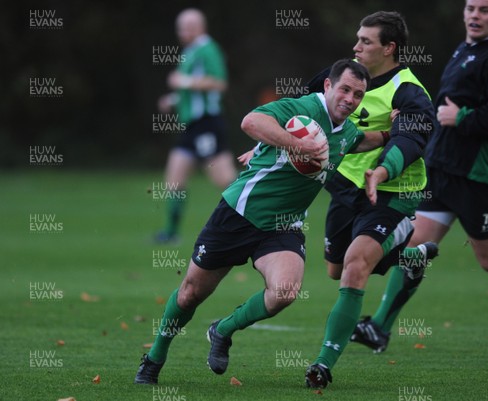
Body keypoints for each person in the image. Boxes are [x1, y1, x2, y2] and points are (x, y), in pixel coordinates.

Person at [135, 59, 399, 384]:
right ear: (329, 86)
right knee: (190, 293)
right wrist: (297, 144)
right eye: (345, 89)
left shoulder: (345, 131)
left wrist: (391, 132)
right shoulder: (302, 108)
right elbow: (251, 121)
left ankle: (223, 329)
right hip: (238, 214)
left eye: (359, 94)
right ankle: (155, 356)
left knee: (285, 291)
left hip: (283, 226)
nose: (351, 99)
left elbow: (357, 141)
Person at [354, 0, 488, 358]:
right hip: (443, 168)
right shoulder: (465, 49)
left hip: (479, 175)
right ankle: (379, 327)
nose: (474, 15)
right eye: (471, 8)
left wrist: (463, 117)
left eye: (485, 10)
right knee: (414, 249)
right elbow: (444, 109)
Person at [304, 11, 437, 389]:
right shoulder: (342, 77)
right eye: (357, 38)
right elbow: (300, 108)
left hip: (393, 194)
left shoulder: (410, 92)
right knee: (334, 270)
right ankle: (410, 258)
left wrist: (381, 171)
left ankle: (323, 363)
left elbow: (410, 141)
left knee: (355, 265)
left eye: (365, 41)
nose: (356, 46)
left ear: (389, 48)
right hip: (346, 189)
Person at [155, 8, 236, 244]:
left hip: (207, 123)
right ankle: (170, 233)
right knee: (174, 179)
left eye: (186, 27)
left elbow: (219, 84)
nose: (182, 32)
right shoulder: (190, 52)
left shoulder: (208, 49)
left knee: (223, 179)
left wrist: (184, 81)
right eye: (180, 27)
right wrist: (173, 99)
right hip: (190, 126)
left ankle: (255, 217)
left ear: (199, 27)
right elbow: (189, 90)